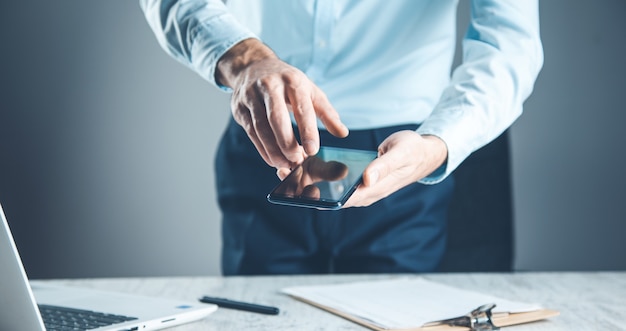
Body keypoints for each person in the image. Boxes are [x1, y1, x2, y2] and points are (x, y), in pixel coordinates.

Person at [140, 0, 543, 275]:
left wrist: (435, 146)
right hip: (266, 131)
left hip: (402, 157)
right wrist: (245, 59)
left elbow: (510, 45)